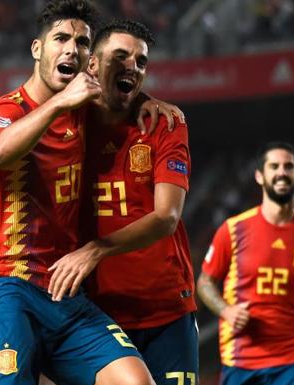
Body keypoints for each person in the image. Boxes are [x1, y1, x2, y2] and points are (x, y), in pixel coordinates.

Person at [0, 1, 177, 384]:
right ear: (37, 49)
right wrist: (60, 102)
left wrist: (148, 100)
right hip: (5, 286)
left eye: (82, 42)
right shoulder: (4, 111)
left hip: (64, 290)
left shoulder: (85, 112)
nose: (71, 49)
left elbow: (121, 90)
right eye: (61, 38)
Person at [43, 19, 199, 385]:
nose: (132, 66)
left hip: (165, 309)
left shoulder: (165, 122)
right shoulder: (62, 123)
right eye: (120, 55)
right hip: (95, 313)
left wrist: (96, 249)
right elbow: (18, 192)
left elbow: (167, 216)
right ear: (92, 64)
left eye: (141, 61)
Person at [196, 142, 294, 385]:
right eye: (274, 166)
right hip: (241, 358)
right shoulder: (233, 230)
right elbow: (205, 282)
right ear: (260, 176)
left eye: (288, 166)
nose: (281, 172)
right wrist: (226, 310)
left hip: (293, 359)